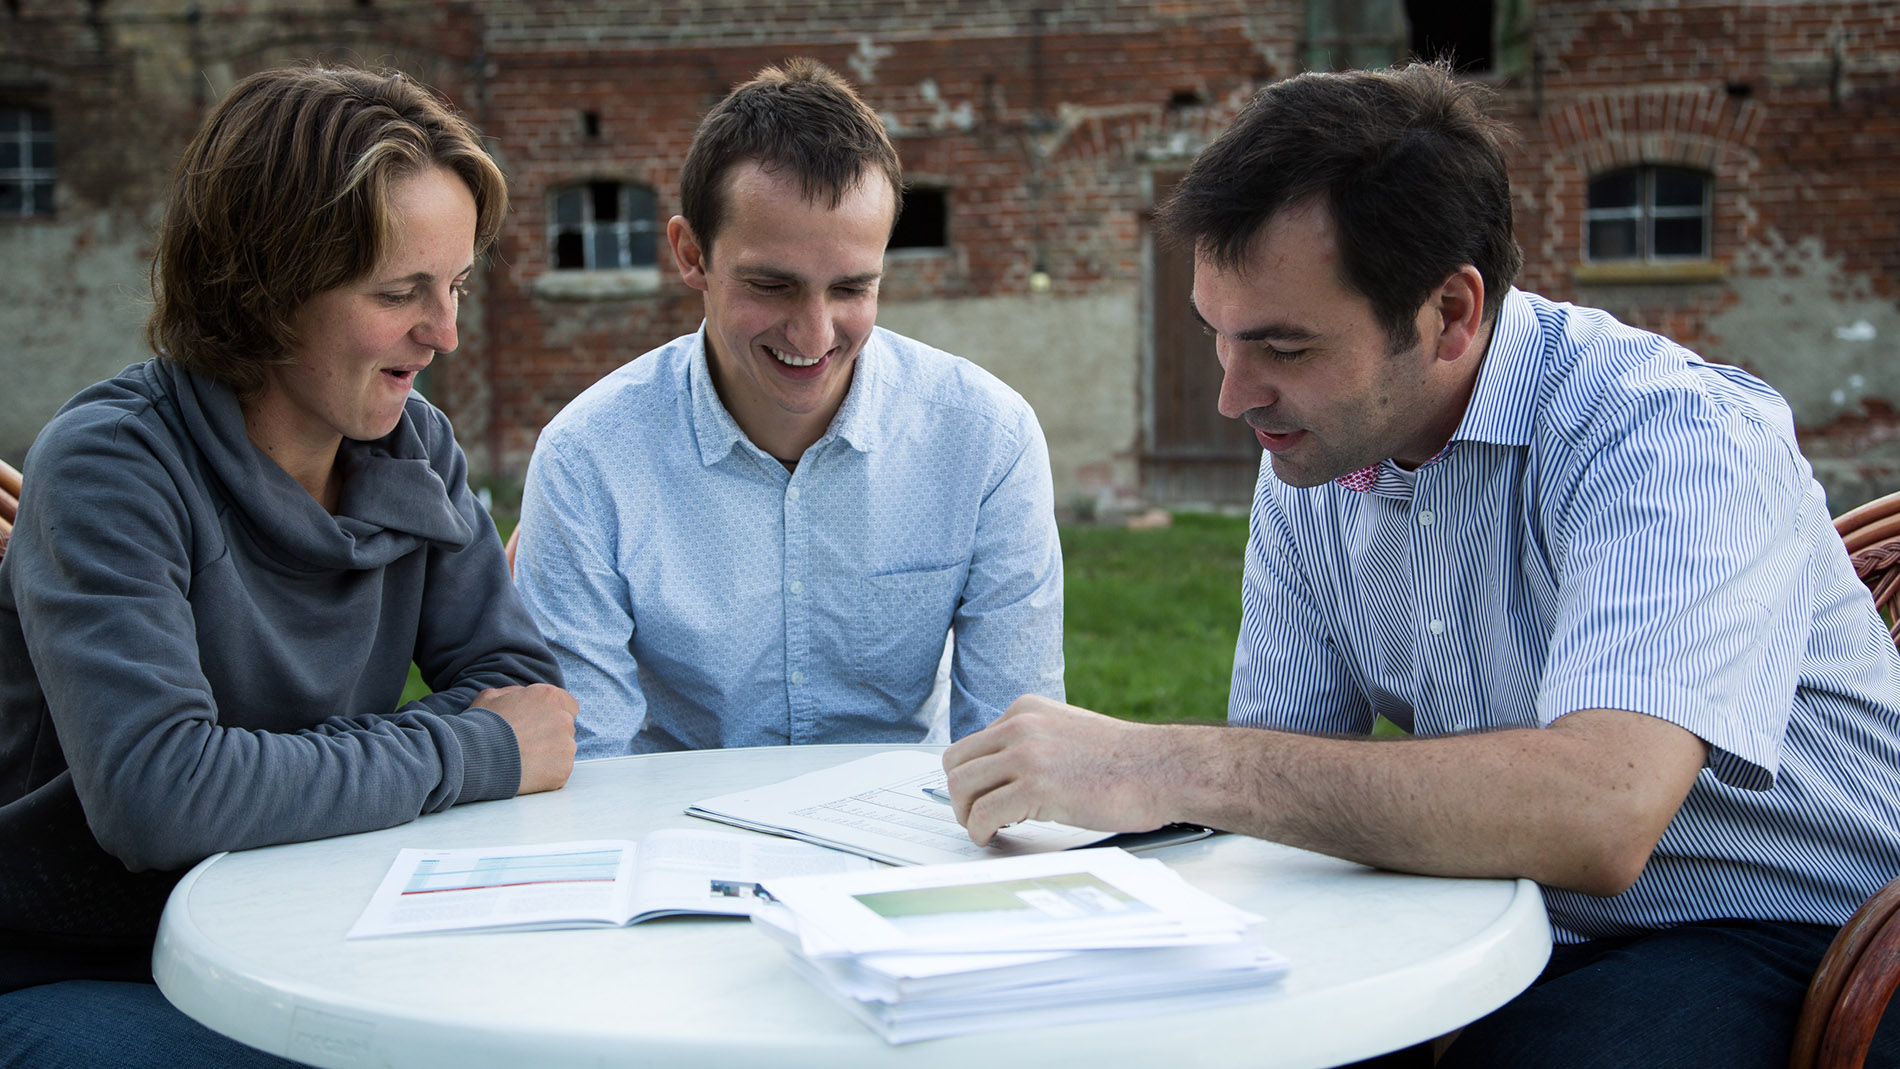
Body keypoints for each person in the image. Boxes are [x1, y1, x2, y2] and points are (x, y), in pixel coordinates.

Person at [942, 62, 1900, 1067]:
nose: (1232, 396)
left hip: (1817, 932)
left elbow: (1600, 809)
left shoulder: (1671, 439)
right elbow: (1277, 791)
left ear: (1450, 312)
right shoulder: (1315, 464)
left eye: (1283, 345)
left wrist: (1161, 764)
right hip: (1505, 908)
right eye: (1216, 337)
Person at [0, 66, 578, 1065]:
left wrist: (275, 775)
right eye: (400, 293)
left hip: (308, 934)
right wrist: (463, 752)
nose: (443, 333)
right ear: (266, 287)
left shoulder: (416, 448)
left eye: (454, 288)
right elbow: (161, 795)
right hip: (87, 966)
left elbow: (528, 700)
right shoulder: (111, 465)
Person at [513, 58, 1064, 758]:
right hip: (672, 844)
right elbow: (587, 765)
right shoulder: (587, 461)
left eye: (851, 289)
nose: (814, 334)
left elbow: (1014, 752)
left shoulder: (987, 440)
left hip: (900, 845)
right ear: (691, 254)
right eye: (772, 285)